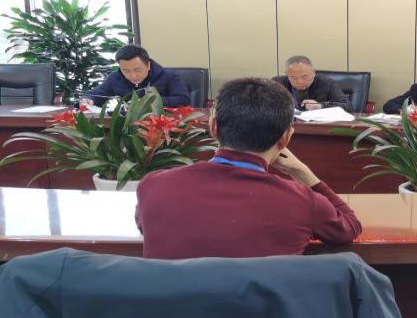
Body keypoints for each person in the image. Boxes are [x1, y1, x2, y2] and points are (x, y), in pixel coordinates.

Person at [135, 77, 362, 259]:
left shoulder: (154, 186)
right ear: (285, 138)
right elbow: (349, 227)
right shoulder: (301, 201)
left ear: (213, 127)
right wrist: (303, 173)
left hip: (172, 305)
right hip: (262, 306)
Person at [82, 44, 191, 107]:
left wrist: (150, 101)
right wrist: (88, 100)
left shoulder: (168, 76)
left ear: (148, 65)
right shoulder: (115, 78)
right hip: (127, 128)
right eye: (126, 70)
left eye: (137, 70)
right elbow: (97, 94)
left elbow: (184, 100)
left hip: (161, 126)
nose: (133, 75)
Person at [275, 55, 353, 112]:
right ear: (287, 74)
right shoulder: (277, 84)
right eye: (293, 77)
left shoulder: (327, 83)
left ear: (313, 73)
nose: (300, 81)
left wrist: (320, 106)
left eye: (304, 77)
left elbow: (349, 107)